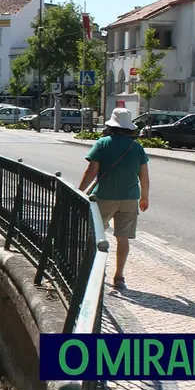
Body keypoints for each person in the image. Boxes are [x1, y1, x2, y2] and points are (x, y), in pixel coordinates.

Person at [78, 108, 150, 290]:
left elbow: (91, 172)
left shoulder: (102, 143)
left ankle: (97, 271)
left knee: (97, 235)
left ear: (111, 125)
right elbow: (144, 175)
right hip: (130, 198)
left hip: (104, 196)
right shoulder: (137, 147)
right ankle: (119, 276)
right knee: (123, 238)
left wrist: (79, 191)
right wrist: (144, 197)